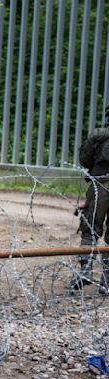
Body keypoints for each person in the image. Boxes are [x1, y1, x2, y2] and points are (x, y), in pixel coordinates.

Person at [69, 103, 109, 295]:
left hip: (99, 186)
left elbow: (85, 159)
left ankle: (85, 271)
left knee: (90, 230)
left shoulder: (98, 135)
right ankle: (107, 281)